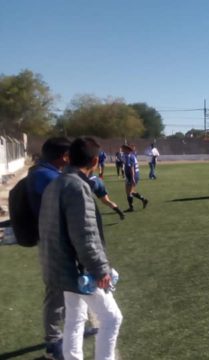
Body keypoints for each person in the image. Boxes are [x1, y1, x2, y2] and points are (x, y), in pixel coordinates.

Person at [39, 137, 122, 360]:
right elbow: (84, 234)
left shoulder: (55, 184)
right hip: (75, 268)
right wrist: (99, 268)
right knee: (112, 318)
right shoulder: (77, 187)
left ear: (69, 158)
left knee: (75, 318)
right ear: (95, 161)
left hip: (58, 266)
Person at [26, 137, 81, 360]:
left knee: (66, 291)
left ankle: (68, 331)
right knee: (56, 294)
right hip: (55, 242)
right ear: (63, 157)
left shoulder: (43, 173)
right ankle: (52, 342)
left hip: (55, 239)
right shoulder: (47, 177)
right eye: (70, 155)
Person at [122, 144, 148, 212]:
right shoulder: (126, 155)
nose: (122, 150)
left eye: (123, 148)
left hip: (133, 175)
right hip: (129, 176)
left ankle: (131, 208)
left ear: (127, 150)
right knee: (129, 192)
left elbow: (132, 168)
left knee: (129, 192)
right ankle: (143, 200)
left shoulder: (130, 156)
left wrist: (132, 178)